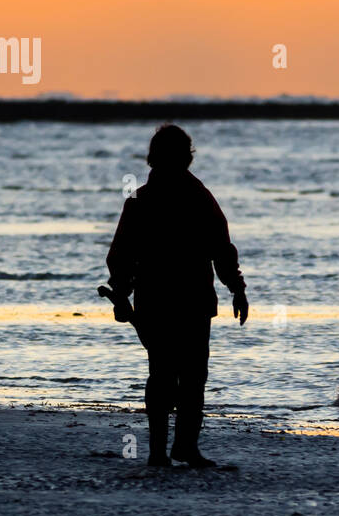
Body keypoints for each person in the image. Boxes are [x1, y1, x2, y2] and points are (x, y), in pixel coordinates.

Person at [106, 123, 249, 468]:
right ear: (187, 157)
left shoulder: (140, 199)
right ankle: (183, 447)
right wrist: (237, 288)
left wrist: (121, 291)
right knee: (192, 376)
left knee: (162, 374)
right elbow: (221, 248)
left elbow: (120, 255)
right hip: (191, 299)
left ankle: (159, 451)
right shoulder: (198, 195)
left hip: (155, 299)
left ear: (153, 157)